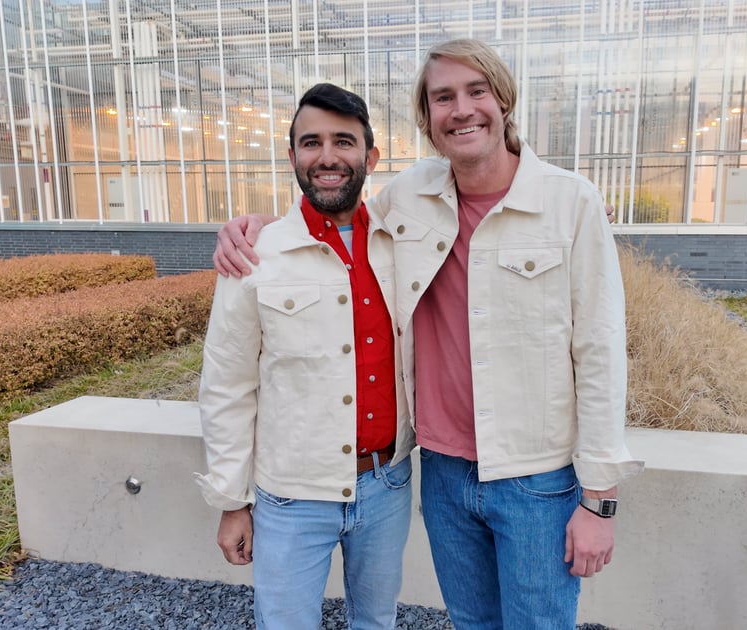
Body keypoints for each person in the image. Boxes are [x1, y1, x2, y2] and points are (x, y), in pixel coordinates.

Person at [213, 39, 642, 629]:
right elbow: (331, 211)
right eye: (443, 97)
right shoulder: (410, 200)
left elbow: (600, 352)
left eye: (476, 92)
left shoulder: (570, 204)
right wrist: (258, 229)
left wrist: (599, 499)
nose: (461, 109)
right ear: (429, 118)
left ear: (504, 100)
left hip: (535, 478)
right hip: (441, 472)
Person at [194, 82, 414, 630]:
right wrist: (231, 500)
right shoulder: (255, 255)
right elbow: (227, 384)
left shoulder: (402, 242)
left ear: (371, 156)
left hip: (387, 483)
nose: (328, 156)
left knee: (377, 622)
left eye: (345, 141)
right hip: (291, 495)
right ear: (292, 156)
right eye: (311, 142)